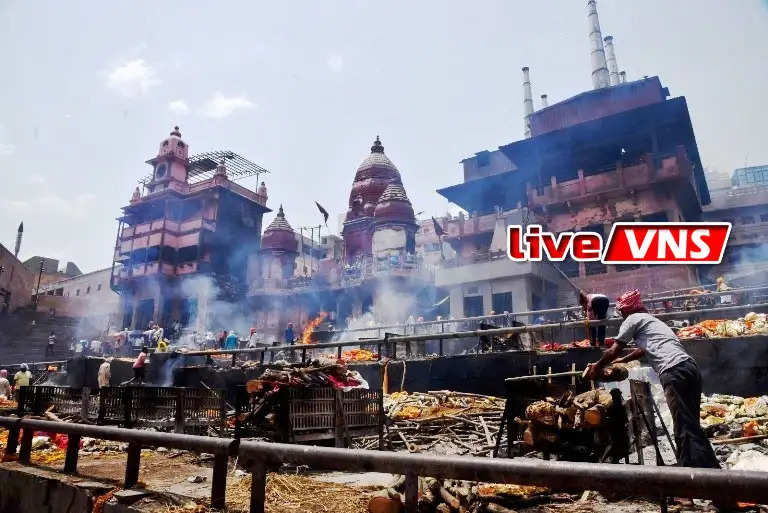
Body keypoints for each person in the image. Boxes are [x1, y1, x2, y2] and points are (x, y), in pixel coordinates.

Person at [585, 289, 720, 470]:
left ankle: (690, 483)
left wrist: (597, 366)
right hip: (689, 368)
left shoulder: (632, 319)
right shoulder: (654, 322)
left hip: (673, 371)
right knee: (691, 426)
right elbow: (644, 349)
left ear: (626, 310)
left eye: (622, 311)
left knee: (683, 428)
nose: (621, 315)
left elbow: (613, 349)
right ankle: (716, 480)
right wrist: (625, 360)